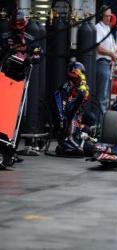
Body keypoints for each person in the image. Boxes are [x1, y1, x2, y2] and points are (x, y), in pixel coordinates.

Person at [0, 9, 40, 169]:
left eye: (21, 23)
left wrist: (33, 56)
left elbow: (38, 53)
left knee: (18, 118)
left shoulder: (30, 39)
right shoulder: (5, 37)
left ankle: (12, 150)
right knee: (4, 116)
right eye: (16, 24)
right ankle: (4, 149)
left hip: (21, 81)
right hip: (5, 79)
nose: (19, 27)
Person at [54, 62, 90, 156]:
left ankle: (79, 142)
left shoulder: (82, 87)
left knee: (90, 120)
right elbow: (62, 108)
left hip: (77, 122)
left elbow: (83, 103)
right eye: (79, 73)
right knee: (71, 116)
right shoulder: (64, 88)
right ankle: (66, 142)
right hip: (65, 120)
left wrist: (83, 93)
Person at [95, 5, 117, 127]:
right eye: (107, 16)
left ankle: (102, 124)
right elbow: (98, 47)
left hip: (108, 64)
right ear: (102, 16)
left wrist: (113, 54)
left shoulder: (108, 29)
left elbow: (111, 48)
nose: (109, 18)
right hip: (101, 63)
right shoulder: (98, 28)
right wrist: (111, 54)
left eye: (110, 16)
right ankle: (99, 125)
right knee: (102, 96)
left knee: (106, 96)